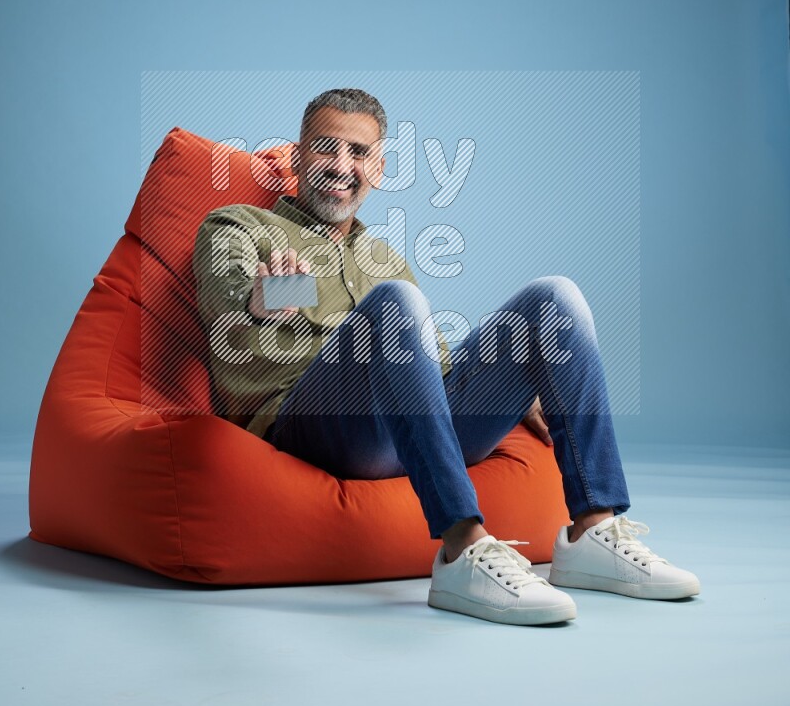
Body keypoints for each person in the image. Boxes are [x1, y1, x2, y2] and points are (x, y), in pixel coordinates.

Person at [193, 87, 700, 626]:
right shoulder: (237, 225)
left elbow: (436, 371)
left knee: (555, 298)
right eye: (326, 148)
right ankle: (462, 549)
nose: (341, 166)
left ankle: (592, 530)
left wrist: (517, 382)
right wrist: (271, 298)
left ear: (379, 169)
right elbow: (230, 309)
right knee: (395, 303)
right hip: (311, 426)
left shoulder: (382, 257)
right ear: (296, 157)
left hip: (408, 429)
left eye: (358, 153)